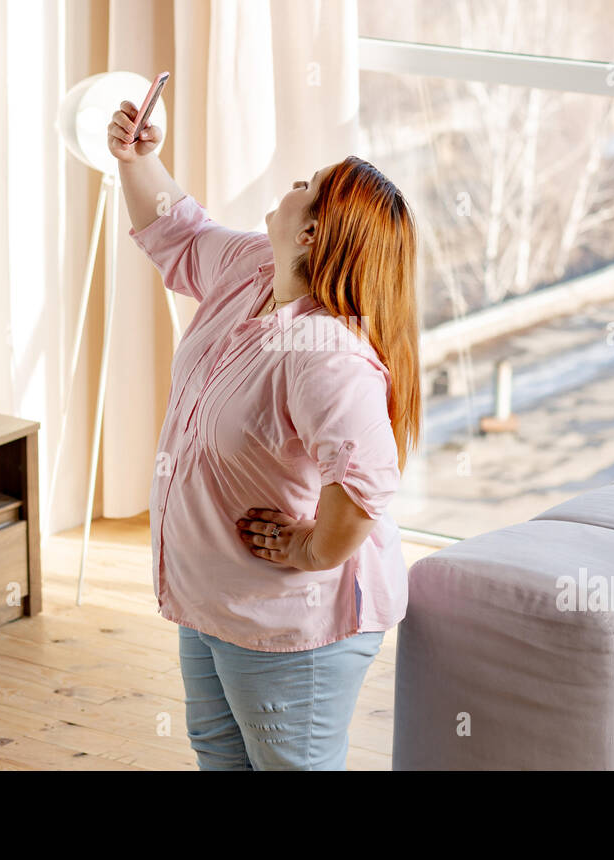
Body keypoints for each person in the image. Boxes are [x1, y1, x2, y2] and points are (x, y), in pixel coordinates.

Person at [106, 99, 421, 770]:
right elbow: (181, 235)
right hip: (214, 596)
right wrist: (139, 161)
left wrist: (310, 548)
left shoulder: (325, 354)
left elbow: (366, 486)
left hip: (289, 622)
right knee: (219, 754)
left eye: (306, 186)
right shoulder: (250, 270)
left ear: (310, 234)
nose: (292, 185)